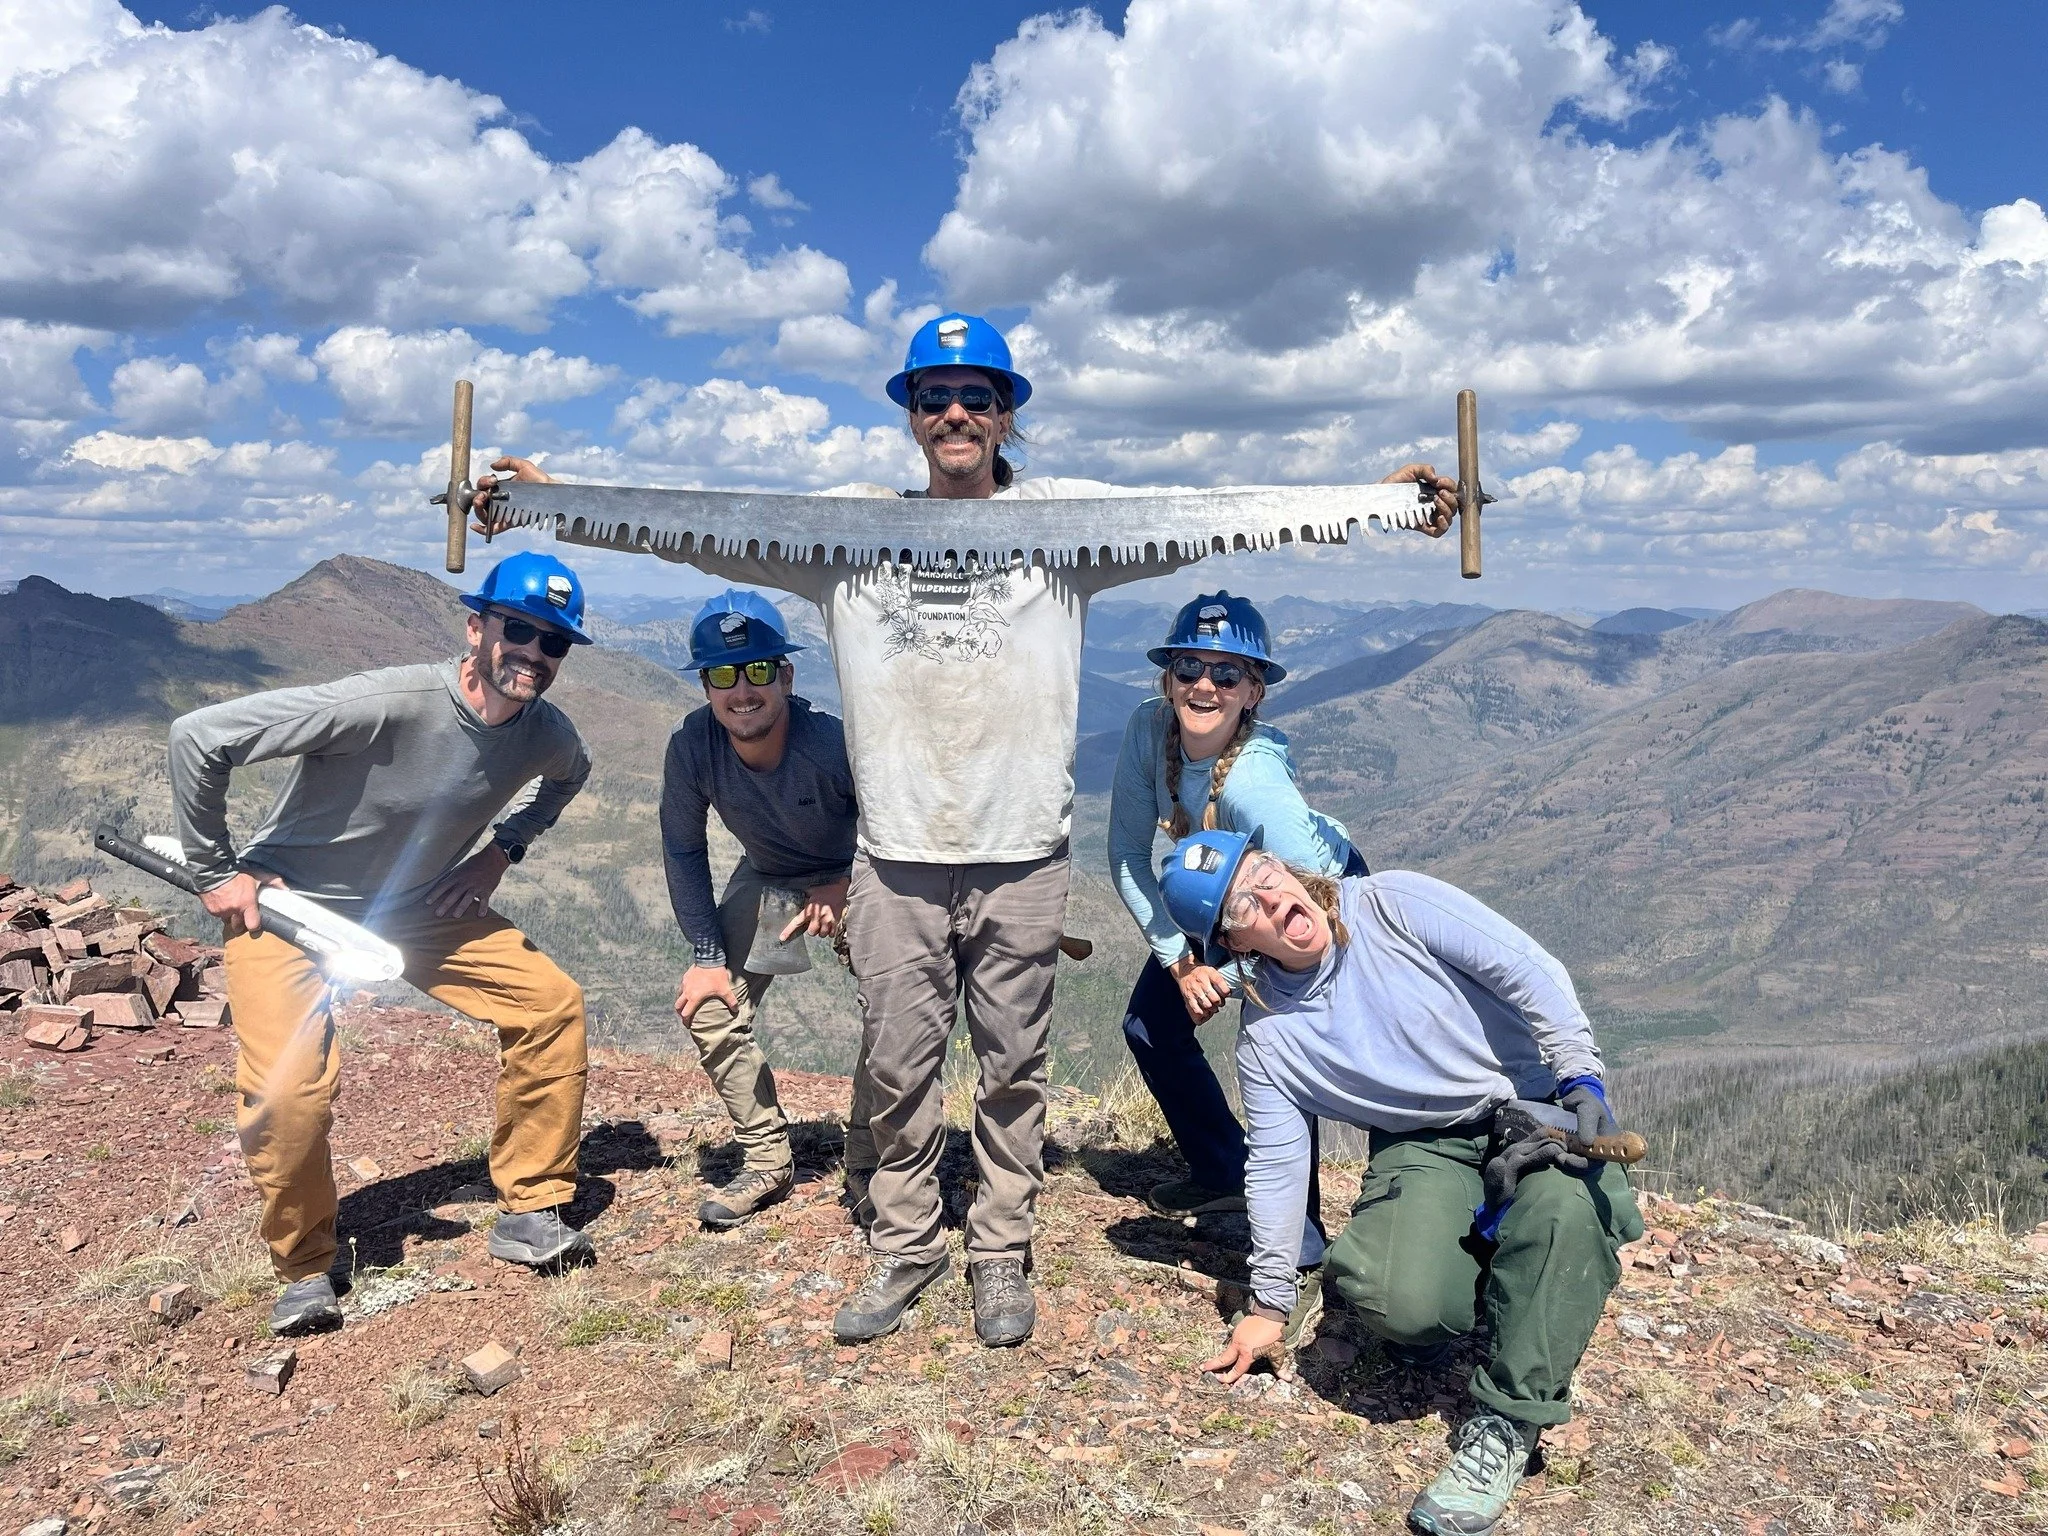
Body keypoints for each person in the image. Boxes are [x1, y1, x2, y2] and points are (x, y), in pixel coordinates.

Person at [476, 312, 1459, 1349]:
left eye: (976, 396)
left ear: (1003, 417)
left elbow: (1203, 518)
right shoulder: (851, 533)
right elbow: (705, 528)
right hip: (895, 859)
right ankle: (905, 1244)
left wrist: (1383, 505)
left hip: (1020, 856)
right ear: (909, 414)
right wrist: (552, 505)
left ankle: (999, 1248)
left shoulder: (1058, 527)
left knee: (1009, 1068)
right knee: (897, 1067)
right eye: (933, 395)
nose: (954, 412)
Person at [1160, 829, 1643, 1536]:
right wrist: (1269, 1298)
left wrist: (1579, 1077)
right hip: (1423, 1144)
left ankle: (1510, 1421)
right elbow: (1275, 1164)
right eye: (1242, 906)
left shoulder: (1393, 904)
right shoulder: (1270, 1039)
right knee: (1398, 1303)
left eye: (1262, 869)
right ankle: (1477, 1270)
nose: (1268, 895)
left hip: (1533, 1110)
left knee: (1563, 1218)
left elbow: (1527, 969)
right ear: (1235, 945)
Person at [167, 553, 600, 1336]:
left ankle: (533, 1206)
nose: (535, 653)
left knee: (549, 1004)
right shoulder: (387, 704)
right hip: (288, 909)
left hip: (415, 902)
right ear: (478, 628)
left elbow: (571, 775)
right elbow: (199, 737)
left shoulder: (546, 735)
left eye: (554, 643)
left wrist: (500, 853)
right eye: (520, 630)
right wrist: (215, 874)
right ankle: (303, 1265)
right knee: (286, 1092)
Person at [1107, 590, 1365, 1319]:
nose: (1204, 685)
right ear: (1167, 678)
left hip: (1310, 901)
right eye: (1189, 665)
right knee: (1152, 1025)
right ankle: (1225, 1168)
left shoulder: (1256, 787)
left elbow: (1316, 907)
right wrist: (1179, 964)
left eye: (1227, 674)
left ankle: (1303, 1243)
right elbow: (1127, 853)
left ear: (1253, 692)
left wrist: (1226, 973)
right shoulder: (1145, 731)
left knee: (1284, 1053)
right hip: (1217, 892)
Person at [660, 589, 864, 1229]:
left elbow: (900, 825)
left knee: (896, 1008)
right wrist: (706, 956)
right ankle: (767, 1157)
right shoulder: (694, 746)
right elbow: (683, 847)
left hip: (861, 871)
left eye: (757, 671)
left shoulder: (832, 745)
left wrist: (847, 882)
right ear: (705, 685)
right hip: (771, 874)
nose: (741, 690)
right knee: (711, 1006)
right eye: (722, 674)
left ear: (786, 675)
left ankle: (870, 1161)